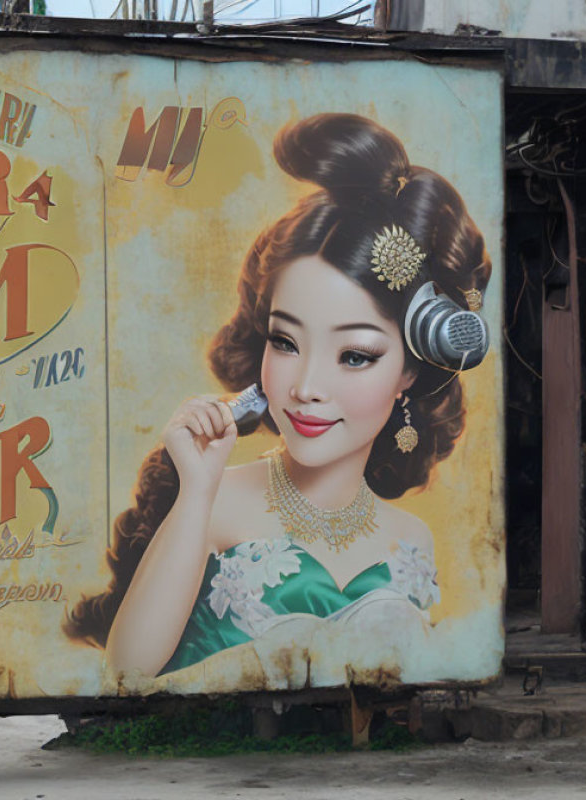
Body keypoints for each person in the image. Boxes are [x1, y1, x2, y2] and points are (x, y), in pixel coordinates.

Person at [64, 113, 492, 678]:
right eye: (286, 342)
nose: (307, 388)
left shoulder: (412, 540)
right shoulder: (214, 503)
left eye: (355, 356)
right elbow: (125, 672)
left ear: (409, 372)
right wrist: (195, 491)